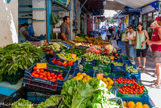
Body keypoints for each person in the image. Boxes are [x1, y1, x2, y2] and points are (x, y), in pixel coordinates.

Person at [148, 21, 161, 87]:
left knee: (157, 65)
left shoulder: (159, 29)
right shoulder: (155, 30)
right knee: (157, 65)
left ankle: (158, 82)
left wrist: (152, 42)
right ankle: (158, 79)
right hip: (155, 49)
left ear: (155, 24)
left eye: (151, 25)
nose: (150, 27)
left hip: (158, 50)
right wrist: (151, 46)